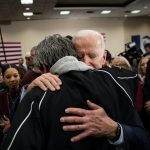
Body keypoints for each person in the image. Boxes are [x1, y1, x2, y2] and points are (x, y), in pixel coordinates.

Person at [27, 30, 150, 150]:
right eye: (79, 57)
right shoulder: (55, 87)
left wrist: (114, 130)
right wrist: (31, 90)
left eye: (92, 56)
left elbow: (143, 139)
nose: (86, 62)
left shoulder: (120, 86)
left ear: (104, 57)